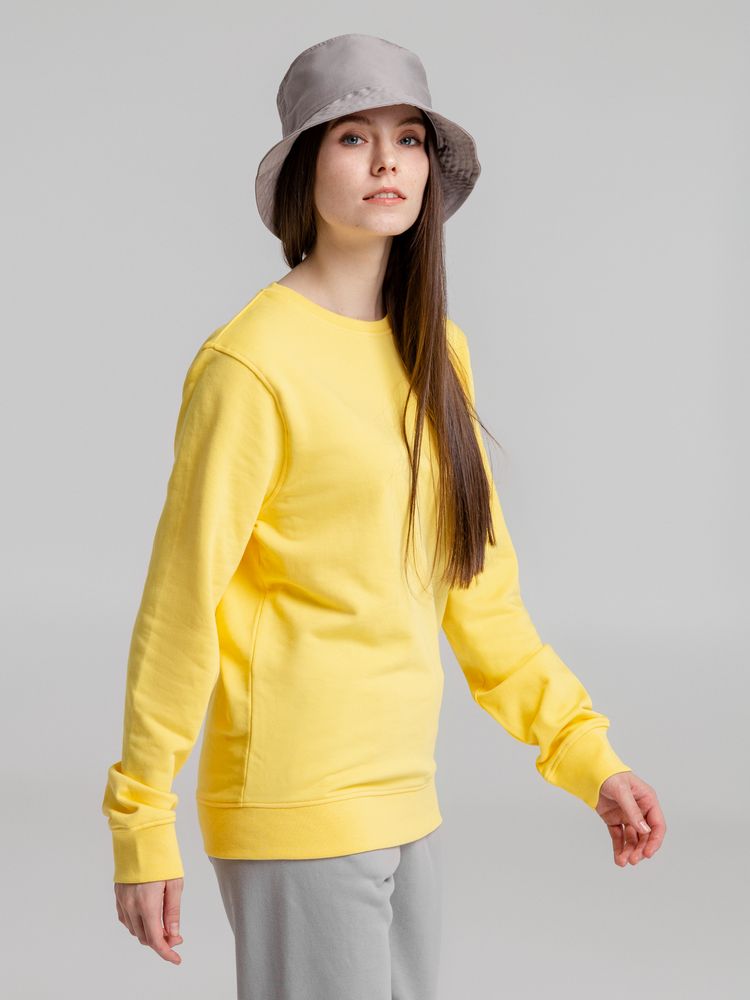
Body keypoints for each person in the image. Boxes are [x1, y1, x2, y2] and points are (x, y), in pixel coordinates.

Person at [101, 32, 666, 1000]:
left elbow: (480, 596)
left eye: (408, 138)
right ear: (305, 169)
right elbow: (180, 604)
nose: (386, 162)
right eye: (353, 137)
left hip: (407, 799)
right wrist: (142, 818)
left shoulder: (436, 351)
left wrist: (588, 757)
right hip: (295, 799)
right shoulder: (251, 365)